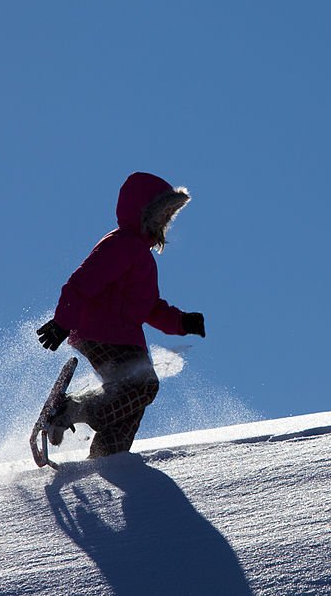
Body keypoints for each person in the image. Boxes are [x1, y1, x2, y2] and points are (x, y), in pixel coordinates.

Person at [35, 171, 205, 459]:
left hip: (125, 339)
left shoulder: (142, 256)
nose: (165, 222)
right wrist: (62, 322)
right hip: (100, 331)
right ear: (144, 213)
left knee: (130, 408)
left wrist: (181, 322)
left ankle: (106, 460)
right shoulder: (121, 244)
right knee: (143, 386)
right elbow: (82, 282)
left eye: (168, 216)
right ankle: (69, 409)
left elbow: (150, 307)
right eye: (161, 213)